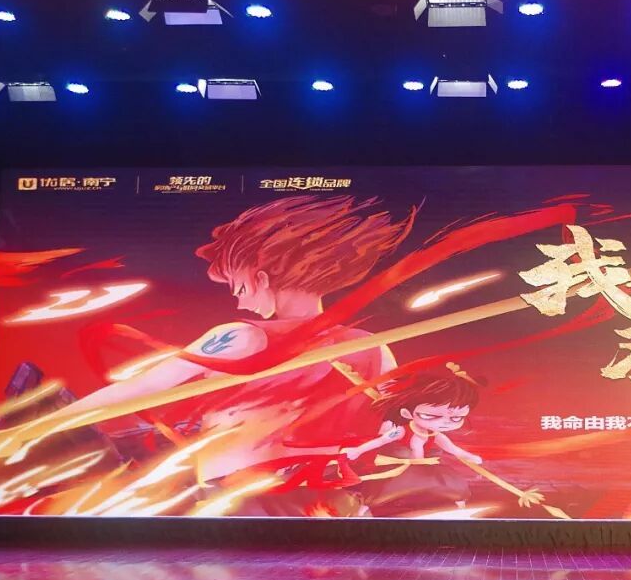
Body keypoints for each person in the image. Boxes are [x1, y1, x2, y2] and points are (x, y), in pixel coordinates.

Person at [51, 195, 415, 508]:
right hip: (334, 501)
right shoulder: (373, 347)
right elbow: (395, 426)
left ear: (261, 277)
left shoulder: (244, 336)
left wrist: (45, 425)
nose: (239, 299)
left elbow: (142, 387)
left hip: (242, 498)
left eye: (239, 286)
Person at [343, 366, 484, 516]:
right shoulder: (401, 430)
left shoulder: (434, 434)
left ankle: (459, 504)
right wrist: (357, 450)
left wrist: (469, 456)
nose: (445, 422)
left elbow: (452, 448)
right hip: (401, 470)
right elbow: (381, 441)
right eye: (430, 416)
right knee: (385, 489)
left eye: (456, 418)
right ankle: (365, 507)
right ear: (406, 413)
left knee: (452, 482)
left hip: (427, 469)